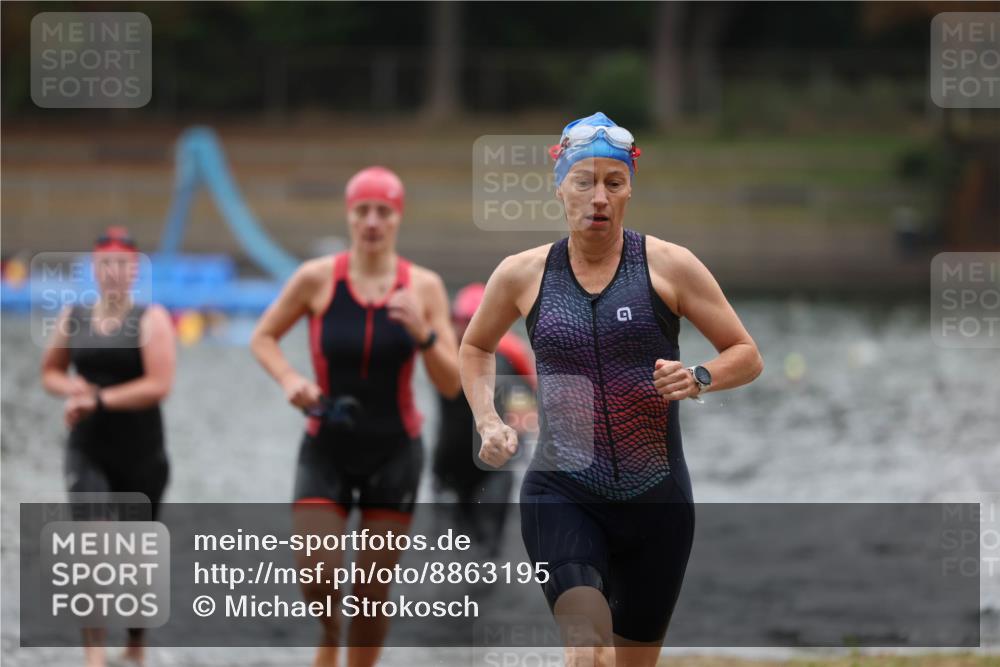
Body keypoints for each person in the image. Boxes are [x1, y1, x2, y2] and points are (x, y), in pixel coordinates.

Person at [459, 112, 763, 667]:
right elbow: (475, 347)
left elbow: (746, 355)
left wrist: (698, 377)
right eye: (585, 182)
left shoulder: (670, 266)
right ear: (560, 188)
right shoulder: (522, 275)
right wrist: (488, 418)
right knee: (587, 646)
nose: (599, 197)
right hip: (562, 493)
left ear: (629, 190)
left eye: (613, 183)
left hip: (659, 502)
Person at [250, 166, 461, 667]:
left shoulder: (424, 287)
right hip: (327, 445)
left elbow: (452, 383)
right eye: (362, 211)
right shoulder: (317, 279)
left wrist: (424, 335)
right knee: (317, 573)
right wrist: (290, 381)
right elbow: (263, 338)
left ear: (397, 219)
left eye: (383, 212)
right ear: (348, 216)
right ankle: (328, 633)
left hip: (395, 450)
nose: (372, 222)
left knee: (370, 591)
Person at [40, 227, 177, 667]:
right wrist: (72, 387)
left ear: (135, 270)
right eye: (105, 265)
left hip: (141, 453)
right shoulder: (73, 315)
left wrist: (98, 399)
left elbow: (160, 384)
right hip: (88, 448)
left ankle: (136, 644)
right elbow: (51, 371)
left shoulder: (151, 319)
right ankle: (94, 655)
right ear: (94, 268)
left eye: (123, 265)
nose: (114, 273)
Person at [432, 283, 536, 557]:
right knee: (453, 548)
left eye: (471, 321)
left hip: (493, 467)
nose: (463, 328)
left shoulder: (509, 354)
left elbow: (527, 402)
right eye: (459, 321)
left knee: (488, 544)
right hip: (450, 466)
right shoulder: (441, 354)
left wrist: (520, 443)